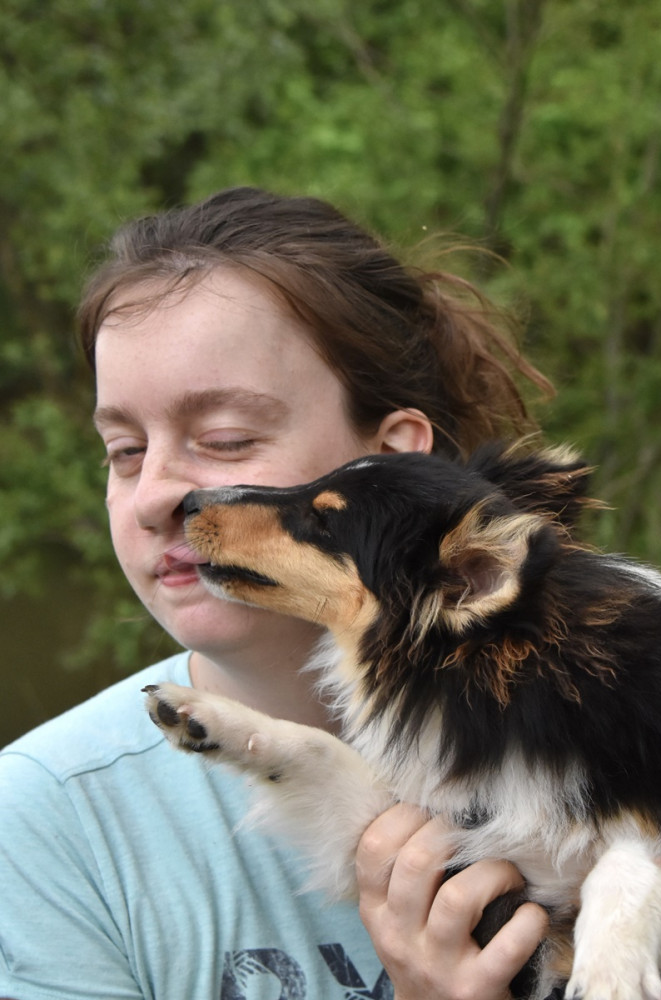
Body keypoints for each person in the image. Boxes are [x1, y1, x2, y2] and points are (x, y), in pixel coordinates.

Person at [0, 187, 553, 1000]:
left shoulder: (627, 706)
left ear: (391, 459)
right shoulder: (47, 819)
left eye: (226, 440)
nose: (155, 493)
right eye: (123, 450)